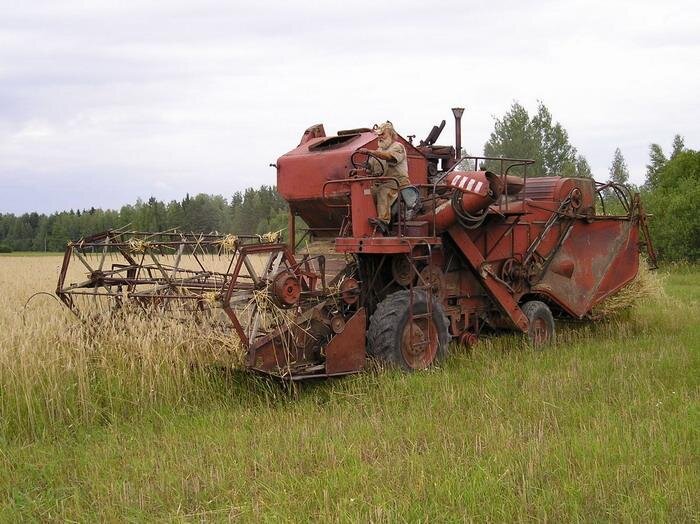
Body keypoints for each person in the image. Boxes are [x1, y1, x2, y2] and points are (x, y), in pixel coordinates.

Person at [358, 121, 410, 234]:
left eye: (383, 134)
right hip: (381, 183)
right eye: (379, 135)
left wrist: (370, 152)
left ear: (391, 134)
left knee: (383, 191)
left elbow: (389, 157)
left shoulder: (398, 147)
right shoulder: (378, 151)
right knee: (365, 193)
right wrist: (366, 167)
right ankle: (363, 224)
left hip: (397, 184)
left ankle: (383, 222)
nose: (380, 137)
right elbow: (371, 167)